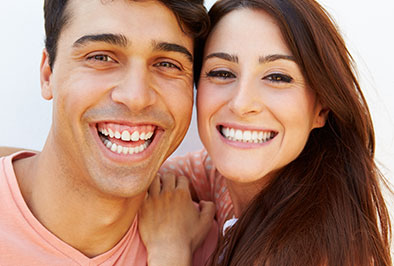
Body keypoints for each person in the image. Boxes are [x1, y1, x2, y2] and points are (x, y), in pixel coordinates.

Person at [139, 0, 393, 265]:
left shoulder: (313, 253)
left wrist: (169, 249)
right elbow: (150, 176)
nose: (241, 103)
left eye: (277, 78)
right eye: (222, 72)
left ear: (321, 108)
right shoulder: (226, 181)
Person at [0, 0, 218, 265]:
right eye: (101, 57)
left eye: (167, 64)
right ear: (48, 74)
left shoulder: (210, 248)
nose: (136, 97)